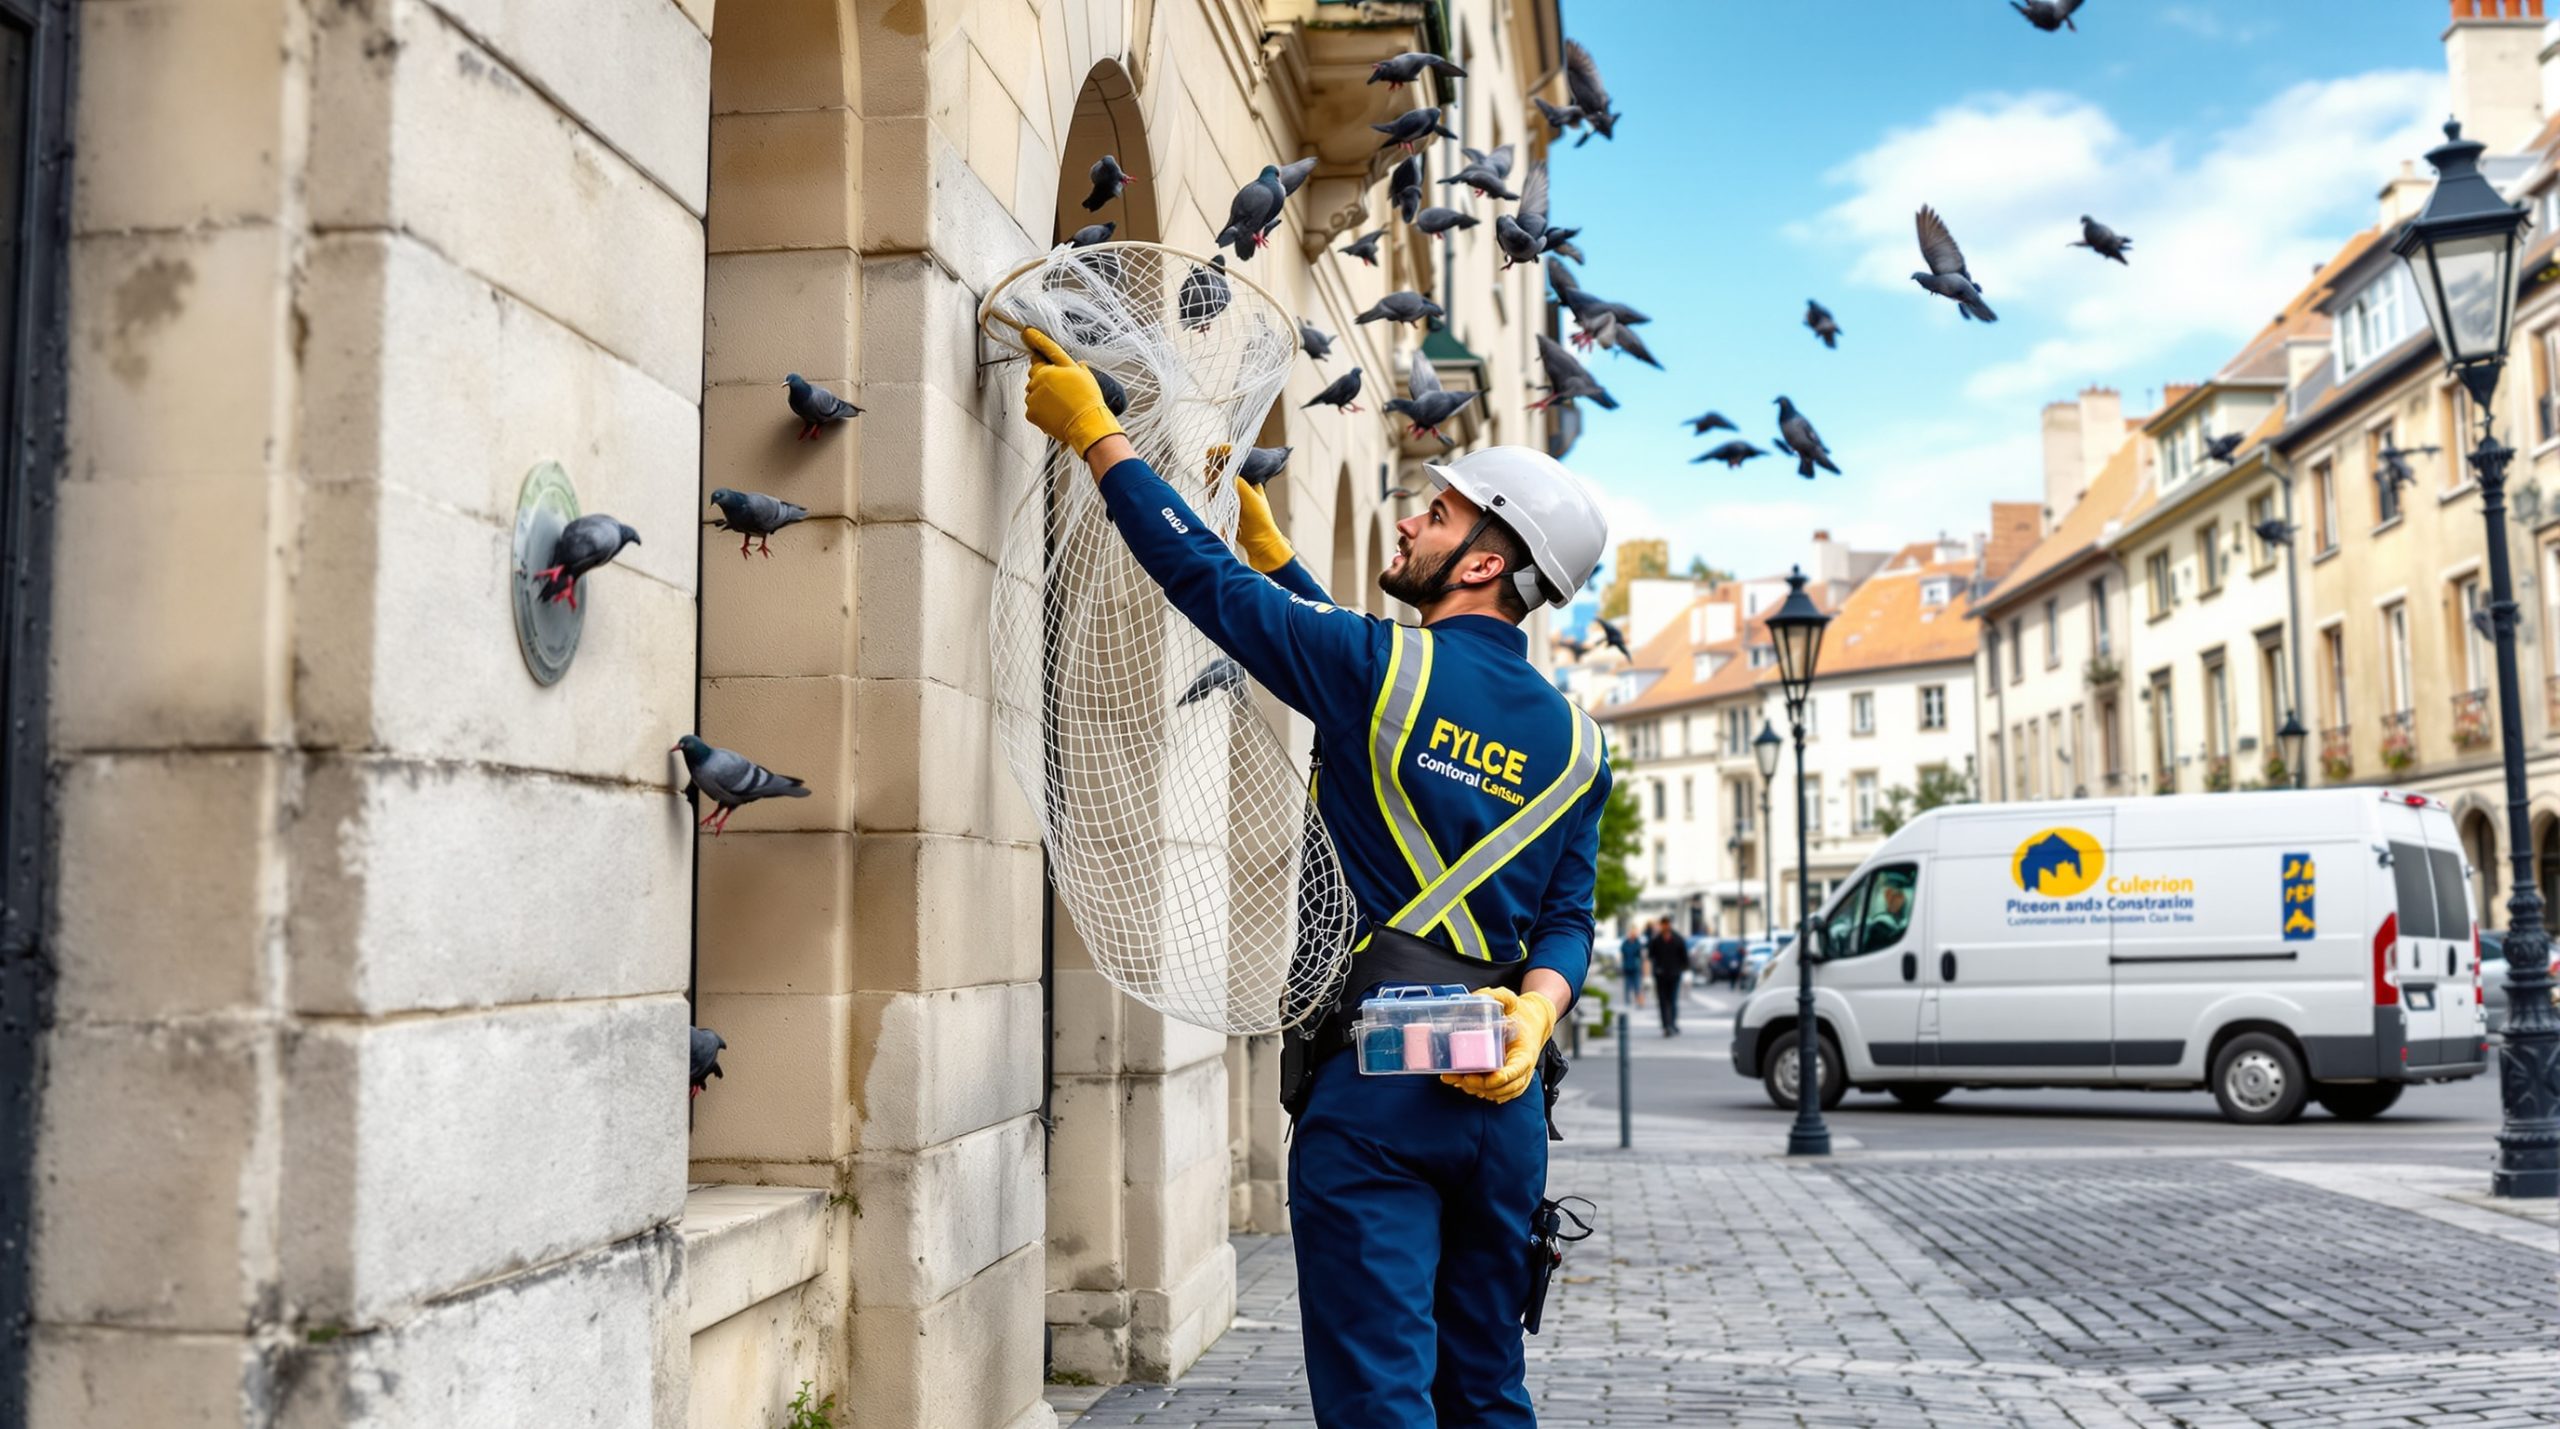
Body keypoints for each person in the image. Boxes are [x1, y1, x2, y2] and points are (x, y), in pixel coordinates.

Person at [1020, 329, 1613, 1429]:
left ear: (1484, 561)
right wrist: (1534, 1018)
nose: (1408, 518)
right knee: (1486, 1390)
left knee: (1381, 1398)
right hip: (1506, 1098)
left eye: (1436, 515)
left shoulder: (1375, 669)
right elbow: (1566, 922)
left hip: (1377, 1085)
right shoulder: (1578, 743)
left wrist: (1099, 438)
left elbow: (1202, 586)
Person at [1646, 918, 1686, 1036]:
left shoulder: (1678, 939)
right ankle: (1666, 1025)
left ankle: (1672, 1023)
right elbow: (1650, 955)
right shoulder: (1656, 940)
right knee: (1663, 1001)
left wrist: (1683, 970)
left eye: (1666, 924)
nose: (1664, 927)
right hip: (1661, 975)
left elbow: (1684, 957)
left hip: (1674, 974)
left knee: (1673, 1000)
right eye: (1662, 925)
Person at [1618, 927, 1645, 1011]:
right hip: (1627, 967)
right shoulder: (1625, 943)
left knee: (1637, 985)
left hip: (1636, 967)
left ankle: (1639, 1002)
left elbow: (1640, 956)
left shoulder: (1638, 943)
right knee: (1627, 985)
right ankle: (1627, 1002)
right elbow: (1622, 953)